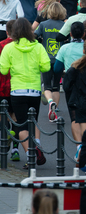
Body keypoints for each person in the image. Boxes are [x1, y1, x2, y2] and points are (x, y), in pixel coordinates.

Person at [0, 18, 50, 168]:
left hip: (17, 90)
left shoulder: (9, 48)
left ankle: (32, 156)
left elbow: (2, 69)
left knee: (22, 126)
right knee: (32, 121)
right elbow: (46, 67)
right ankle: (37, 146)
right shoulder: (38, 46)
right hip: (34, 90)